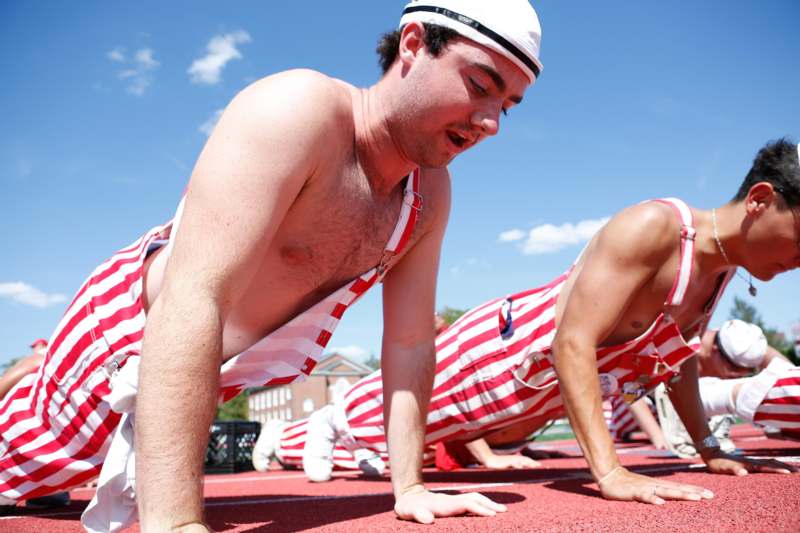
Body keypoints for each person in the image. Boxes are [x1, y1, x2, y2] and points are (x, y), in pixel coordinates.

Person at [0, 1, 545, 530]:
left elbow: (409, 343)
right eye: (479, 86)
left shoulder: (429, 194)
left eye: (510, 106)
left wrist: (411, 488)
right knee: (19, 468)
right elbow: (195, 295)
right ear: (413, 44)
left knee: (55, 491)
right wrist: (176, 522)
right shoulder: (298, 110)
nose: (492, 123)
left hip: (207, 376)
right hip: (125, 340)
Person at [279, 139, 800, 503]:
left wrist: (709, 448)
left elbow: (679, 358)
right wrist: (611, 472)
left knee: (401, 454)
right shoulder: (657, 226)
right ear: (760, 200)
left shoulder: (722, 271)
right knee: (373, 424)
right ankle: (307, 428)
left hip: (528, 394)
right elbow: (572, 341)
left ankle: (329, 434)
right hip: (495, 354)